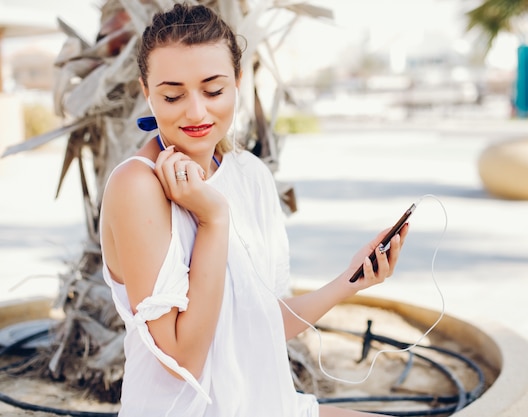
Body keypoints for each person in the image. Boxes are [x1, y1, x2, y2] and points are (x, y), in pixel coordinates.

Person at [99, 3, 409, 416]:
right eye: (172, 95)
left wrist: (349, 281)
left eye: (213, 90)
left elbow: (263, 322)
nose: (195, 111)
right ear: (146, 91)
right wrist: (213, 219)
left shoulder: (250, 174)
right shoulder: (137, 186)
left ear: (238, 81)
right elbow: (180, 360)